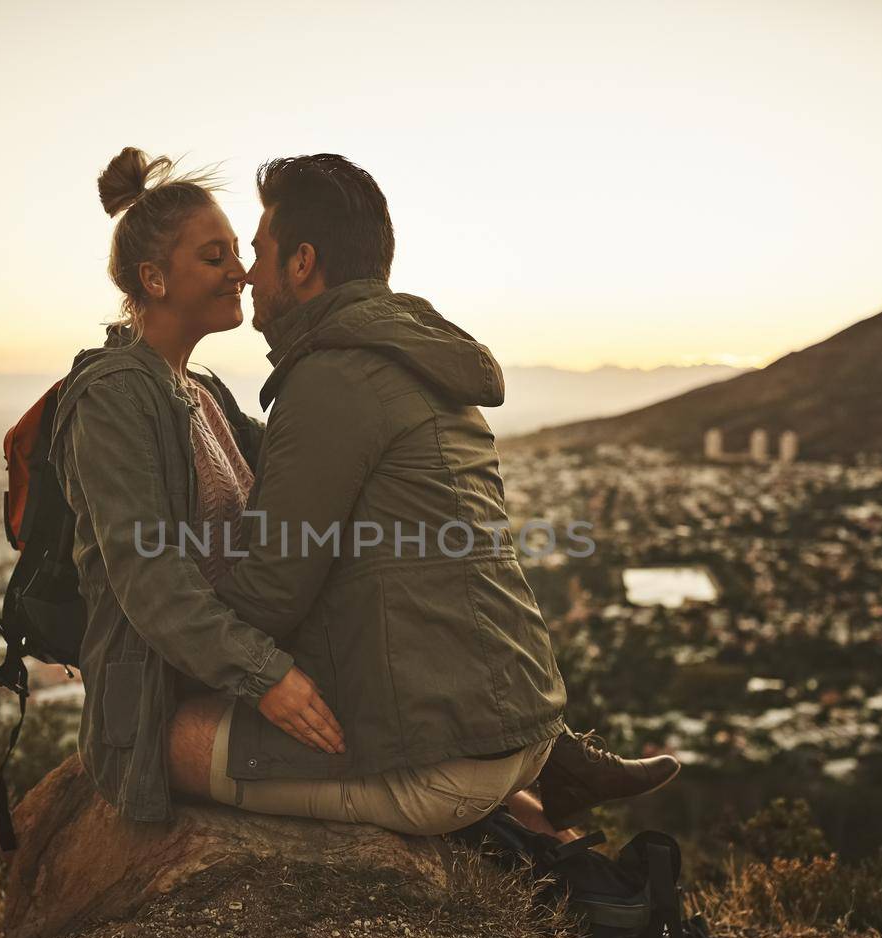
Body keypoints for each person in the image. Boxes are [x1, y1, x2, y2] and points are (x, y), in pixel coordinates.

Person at [51, 147, 677, 839]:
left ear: (302, 263)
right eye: (216, 256)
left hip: (275, 664)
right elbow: (149, 576)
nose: (241, 270)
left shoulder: (222, 394)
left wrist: (265, 672)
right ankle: (547, 806)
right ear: (153, 278)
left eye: (246, 250)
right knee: (153, 738)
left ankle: (542, 811)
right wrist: (266, 675)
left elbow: (297, 548)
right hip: (212, 660)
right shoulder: (118, 398)